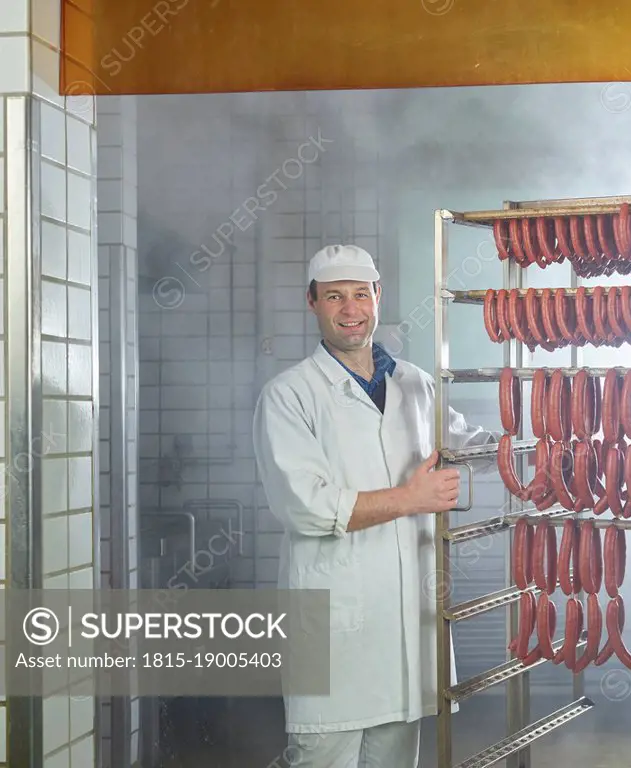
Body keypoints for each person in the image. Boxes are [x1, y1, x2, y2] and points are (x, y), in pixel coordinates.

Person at [252, 244, 500, 768]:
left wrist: (544, 450)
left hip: (405, 634)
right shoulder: (290, 394)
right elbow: (305, 506)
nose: (351, 309)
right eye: (335, 296)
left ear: (378, 297)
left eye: (361, 294)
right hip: (337, 635)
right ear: (312, 303)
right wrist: (411, 498)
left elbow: (467, 444)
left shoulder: (413, 382)